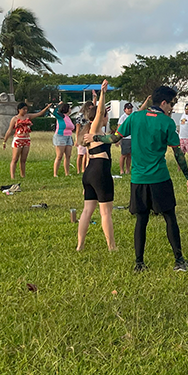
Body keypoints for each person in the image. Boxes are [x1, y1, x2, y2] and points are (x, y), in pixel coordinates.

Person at [87, 86, 188, 272]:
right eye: (171, 104)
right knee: (170, 218)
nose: (172, 107)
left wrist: (94, 137)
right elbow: (178, 153)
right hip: (159, 178)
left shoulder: (134, 117)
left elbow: (114, 139)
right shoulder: (167, 123)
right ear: (163, 103)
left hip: (138, 179)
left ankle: (139, 263)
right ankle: (179, 261)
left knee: (141, 220)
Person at [77, 82, 116, 251]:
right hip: (100, 171)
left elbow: (87, 157)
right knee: (105, 212)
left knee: (87, 211)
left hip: (90, 171)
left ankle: (80, 246)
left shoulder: (91, 134)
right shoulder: (94, 129)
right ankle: (111, 246)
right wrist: (102, 93)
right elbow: (100, 111)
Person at [2, 102, 52, 179]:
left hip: (26, 139)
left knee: (23, 159)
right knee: (15, 159)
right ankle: (12, 176)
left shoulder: (28, 116)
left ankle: (23, 175)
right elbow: (9, 130)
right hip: (18, 139)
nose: (25, 111)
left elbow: (39, 113)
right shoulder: (15, 119)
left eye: (26, 109)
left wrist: (47, 107)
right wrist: (4, 141)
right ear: (19, 109)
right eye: (23, 109)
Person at [50, 102, 75, 177]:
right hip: (60, 136)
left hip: (68, 137)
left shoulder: (68, 117)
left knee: (68, 155)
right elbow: (54, 112)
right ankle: (55, 173)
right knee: (59, 155)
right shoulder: (61, 116)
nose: (70, 110)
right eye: (69, 108)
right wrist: (58, 105)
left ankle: (67, 173)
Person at [75, 101, 96, 175]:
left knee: (86, 154)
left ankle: (84, 169)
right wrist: (77, 139)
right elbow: (78, 128)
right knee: (80, 154)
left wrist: (95, 98)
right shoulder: (80, 115)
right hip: (81, 135)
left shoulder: (91, 115)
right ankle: (78, 170)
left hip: (89, 134)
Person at [118, 102, 133, 175]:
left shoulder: (133, 116)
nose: (130, 110)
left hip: (132, 138)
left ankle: (127, 169)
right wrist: (118, 139)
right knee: (124, 155)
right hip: (125, 138)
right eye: (128, 108)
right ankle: (121, 170)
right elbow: (119, 128)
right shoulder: (123, 117)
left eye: (131, 108)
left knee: (129, 155)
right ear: (125, 110)